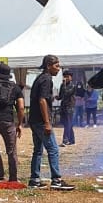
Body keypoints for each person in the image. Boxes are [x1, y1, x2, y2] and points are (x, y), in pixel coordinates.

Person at [27, 55, 74, 190]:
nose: (58, 69)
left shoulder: (39, 78)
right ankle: (56, 180)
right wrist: (47, 122)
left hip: (34, 119)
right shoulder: (47, 79)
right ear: (48, 66)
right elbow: (42, 100)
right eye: (56, 66)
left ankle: (34, 180)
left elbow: (41, 98)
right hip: (41, 121)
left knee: (38, 150)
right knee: (53, 149)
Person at [58, 71, 76, 146]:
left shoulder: (73, 86)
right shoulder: (62, 85)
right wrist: (57, 97)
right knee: (68, 124)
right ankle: (72, 140)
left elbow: (67, 93)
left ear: (71, 78)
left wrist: (64, 85)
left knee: (68, 124)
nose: (66, 78)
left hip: (70, 107)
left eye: (67, 76)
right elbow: (61, 95)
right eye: (65, 76)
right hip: (63, 106)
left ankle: (65, 140)